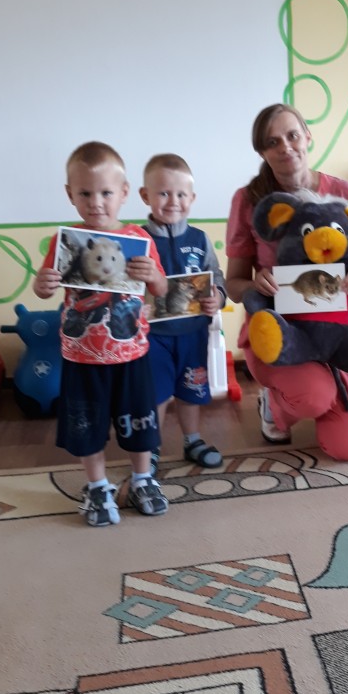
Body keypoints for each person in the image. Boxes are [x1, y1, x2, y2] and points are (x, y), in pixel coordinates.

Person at [225, 103, 348, 460]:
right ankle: (277, 406)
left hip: (341, 332)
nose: (285, 147)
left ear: (307, 136)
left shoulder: (344, 192)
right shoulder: (248, 200)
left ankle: (320, 395)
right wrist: (255, 284)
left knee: (346, 448)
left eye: (292, 135)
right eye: (272, 142)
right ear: (262, 152)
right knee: (314, 396)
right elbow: (234, 284)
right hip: (282, 333)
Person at [33, 141, 169, 526]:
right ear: (70, 194)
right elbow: (45, 288)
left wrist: (153, 275)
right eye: (85, 194)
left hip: (131, 355)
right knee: (85, 426)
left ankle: (143, 479)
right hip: (81, 356)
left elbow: (161, 289)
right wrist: (42, 284)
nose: (96, 203)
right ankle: (97, 486)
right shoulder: (65, 242)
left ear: (124, 193)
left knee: (140, 424)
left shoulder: (141, 239)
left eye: (106, 193)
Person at [140, 154, 226, 475]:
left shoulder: (200, 239)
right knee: (157, 395)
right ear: (145, 195)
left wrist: (217, 297)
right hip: (153, 338)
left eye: (181, 194)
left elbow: (216, 277)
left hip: (193, 334)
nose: (173, 201)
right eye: (163, 193)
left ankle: (192, 441)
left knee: (192, 390)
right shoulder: (137, 240)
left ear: (192, 198)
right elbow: (127, 286)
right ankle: (150, 449)